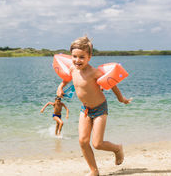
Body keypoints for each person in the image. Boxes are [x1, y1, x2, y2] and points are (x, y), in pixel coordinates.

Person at [56, 36, 131, 176]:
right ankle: (94, 171)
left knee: (97, 144)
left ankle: (117, 149)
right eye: (74, 56)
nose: (77, 60)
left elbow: (112, 84)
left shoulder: (94, 72)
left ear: (89, 57)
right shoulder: (72, 69)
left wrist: (121, 99)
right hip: (85, 109)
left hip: (99, 109)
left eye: (82, 57)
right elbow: (66, 79)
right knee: (83, 141)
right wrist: (60, 87)